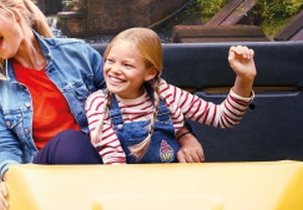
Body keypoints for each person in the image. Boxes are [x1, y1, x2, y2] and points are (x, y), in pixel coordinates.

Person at [0, 0, 204, 210]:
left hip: (105, 160)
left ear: (18, 12)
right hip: (45, 173)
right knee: (70, 142)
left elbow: (133, 96)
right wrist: (11, 179)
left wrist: (184, 137)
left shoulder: (78, 54)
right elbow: (5, 146)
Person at [86, 27, 256, 164]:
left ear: (150, 73)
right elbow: (114, 162)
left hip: (175, 186)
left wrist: (244, 79)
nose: (114, 70)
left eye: (127, 65)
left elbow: (224, 118)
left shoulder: (166, 93)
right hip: (131, 188)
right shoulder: (98, 103)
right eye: (110, 61)